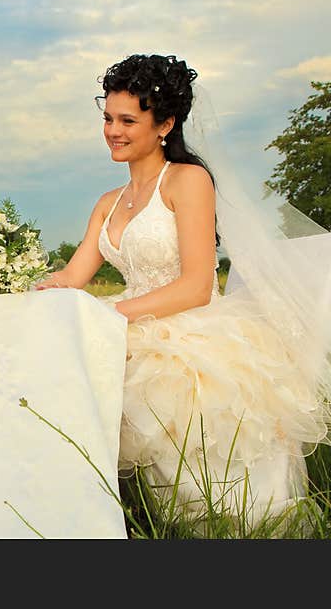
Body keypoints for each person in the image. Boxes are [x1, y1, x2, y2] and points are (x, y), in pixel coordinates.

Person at [39, 53, 330, 521]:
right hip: (132, 323)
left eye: (128, 120)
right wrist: (17, 288)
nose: (113, 130)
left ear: (165, 124)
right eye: (108, 118)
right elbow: (72, 278)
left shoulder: (188, 180)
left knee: (138, 379)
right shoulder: (107, 203)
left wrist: (109, 316)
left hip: (190, 329)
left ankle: (208, 519)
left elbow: (197, 286)